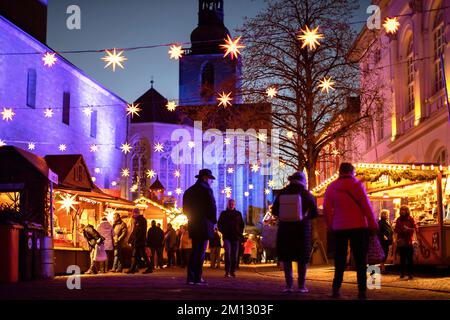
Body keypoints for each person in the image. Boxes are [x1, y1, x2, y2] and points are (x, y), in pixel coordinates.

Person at [323, 163, 378, 299]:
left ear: (339, 172)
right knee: (360, 259)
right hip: (359, 226)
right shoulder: (357, 185)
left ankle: (336, 287)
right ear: (352, 172)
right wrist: (373, 224)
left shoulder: (331, 187)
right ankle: (362, 290)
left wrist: (330, 225)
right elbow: (366, 206)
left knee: (340, 258)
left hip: (339, 227)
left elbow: (326, 209)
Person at [272, 171, 319, 293]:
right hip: (302, 230)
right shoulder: (306, 194)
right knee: (301, 258)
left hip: (285, 230)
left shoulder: (282, 192)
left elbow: (275, 211)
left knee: (287, 257)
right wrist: (305, 217)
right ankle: (302, 286)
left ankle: (288, 285)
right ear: (303, 180)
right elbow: (315, 212)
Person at [183, 169, 217, 285]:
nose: (211, 182)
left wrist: (192, 218)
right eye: (210, 179)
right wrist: (213, 220)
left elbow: (185, 209)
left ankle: (190, 277)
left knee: (194, 251)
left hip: (194, 224)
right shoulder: (207, 190)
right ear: (205, 178)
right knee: (201, 252)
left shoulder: (189, 191)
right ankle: (197, 277)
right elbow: (212, 206)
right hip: (205, 224)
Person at [218, 198, 245, 277]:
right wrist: (223, 231)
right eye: (230, 203)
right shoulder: (224, 213)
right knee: (228, 253)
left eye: (232, 204)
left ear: (234, 204)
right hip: (227, 237)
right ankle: (227, 271)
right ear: (228, 204)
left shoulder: (238, 214)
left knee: (235, 255)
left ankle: (232, 271)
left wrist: (239, 232)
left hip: (236, 237)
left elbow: (242, 225)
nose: (231, 205)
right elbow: (219, 224)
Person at [394, 206, 417, 279]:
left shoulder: (411, 219)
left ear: (407, 211)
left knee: (410, 258)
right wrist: (402, 230)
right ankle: (402, 273)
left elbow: (415, 228)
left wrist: (408, 229)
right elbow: (396, 229)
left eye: (403, 210)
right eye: (401, 210)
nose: (402, 211)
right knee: (402, 258)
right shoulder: (398, 219)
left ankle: (410, 274)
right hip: (401, 240)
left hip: (409, 241)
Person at [127, 208, 153, 274]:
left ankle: (148, 268)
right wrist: (130, 239)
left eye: (133, 213)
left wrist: (135, 239)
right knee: (137, 255)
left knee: (138, 255)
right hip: (138, 241)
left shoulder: (141, 220)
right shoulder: (138, 220)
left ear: (136, 213)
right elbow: (135, 231)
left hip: (139, 241)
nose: (133, 214)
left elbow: (139, 232)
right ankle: (133, 269)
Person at [378, 209, 393, 274]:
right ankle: (382, 268)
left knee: (385, 253)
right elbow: (378, 231)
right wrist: (383, 235)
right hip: (383, 241)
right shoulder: (380, 222)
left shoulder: (387, 222)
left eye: (387, 214)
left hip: (387, 241)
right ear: (382, 215)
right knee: (384, 254)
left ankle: (382, 266)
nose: (387, 215)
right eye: (385, 214)